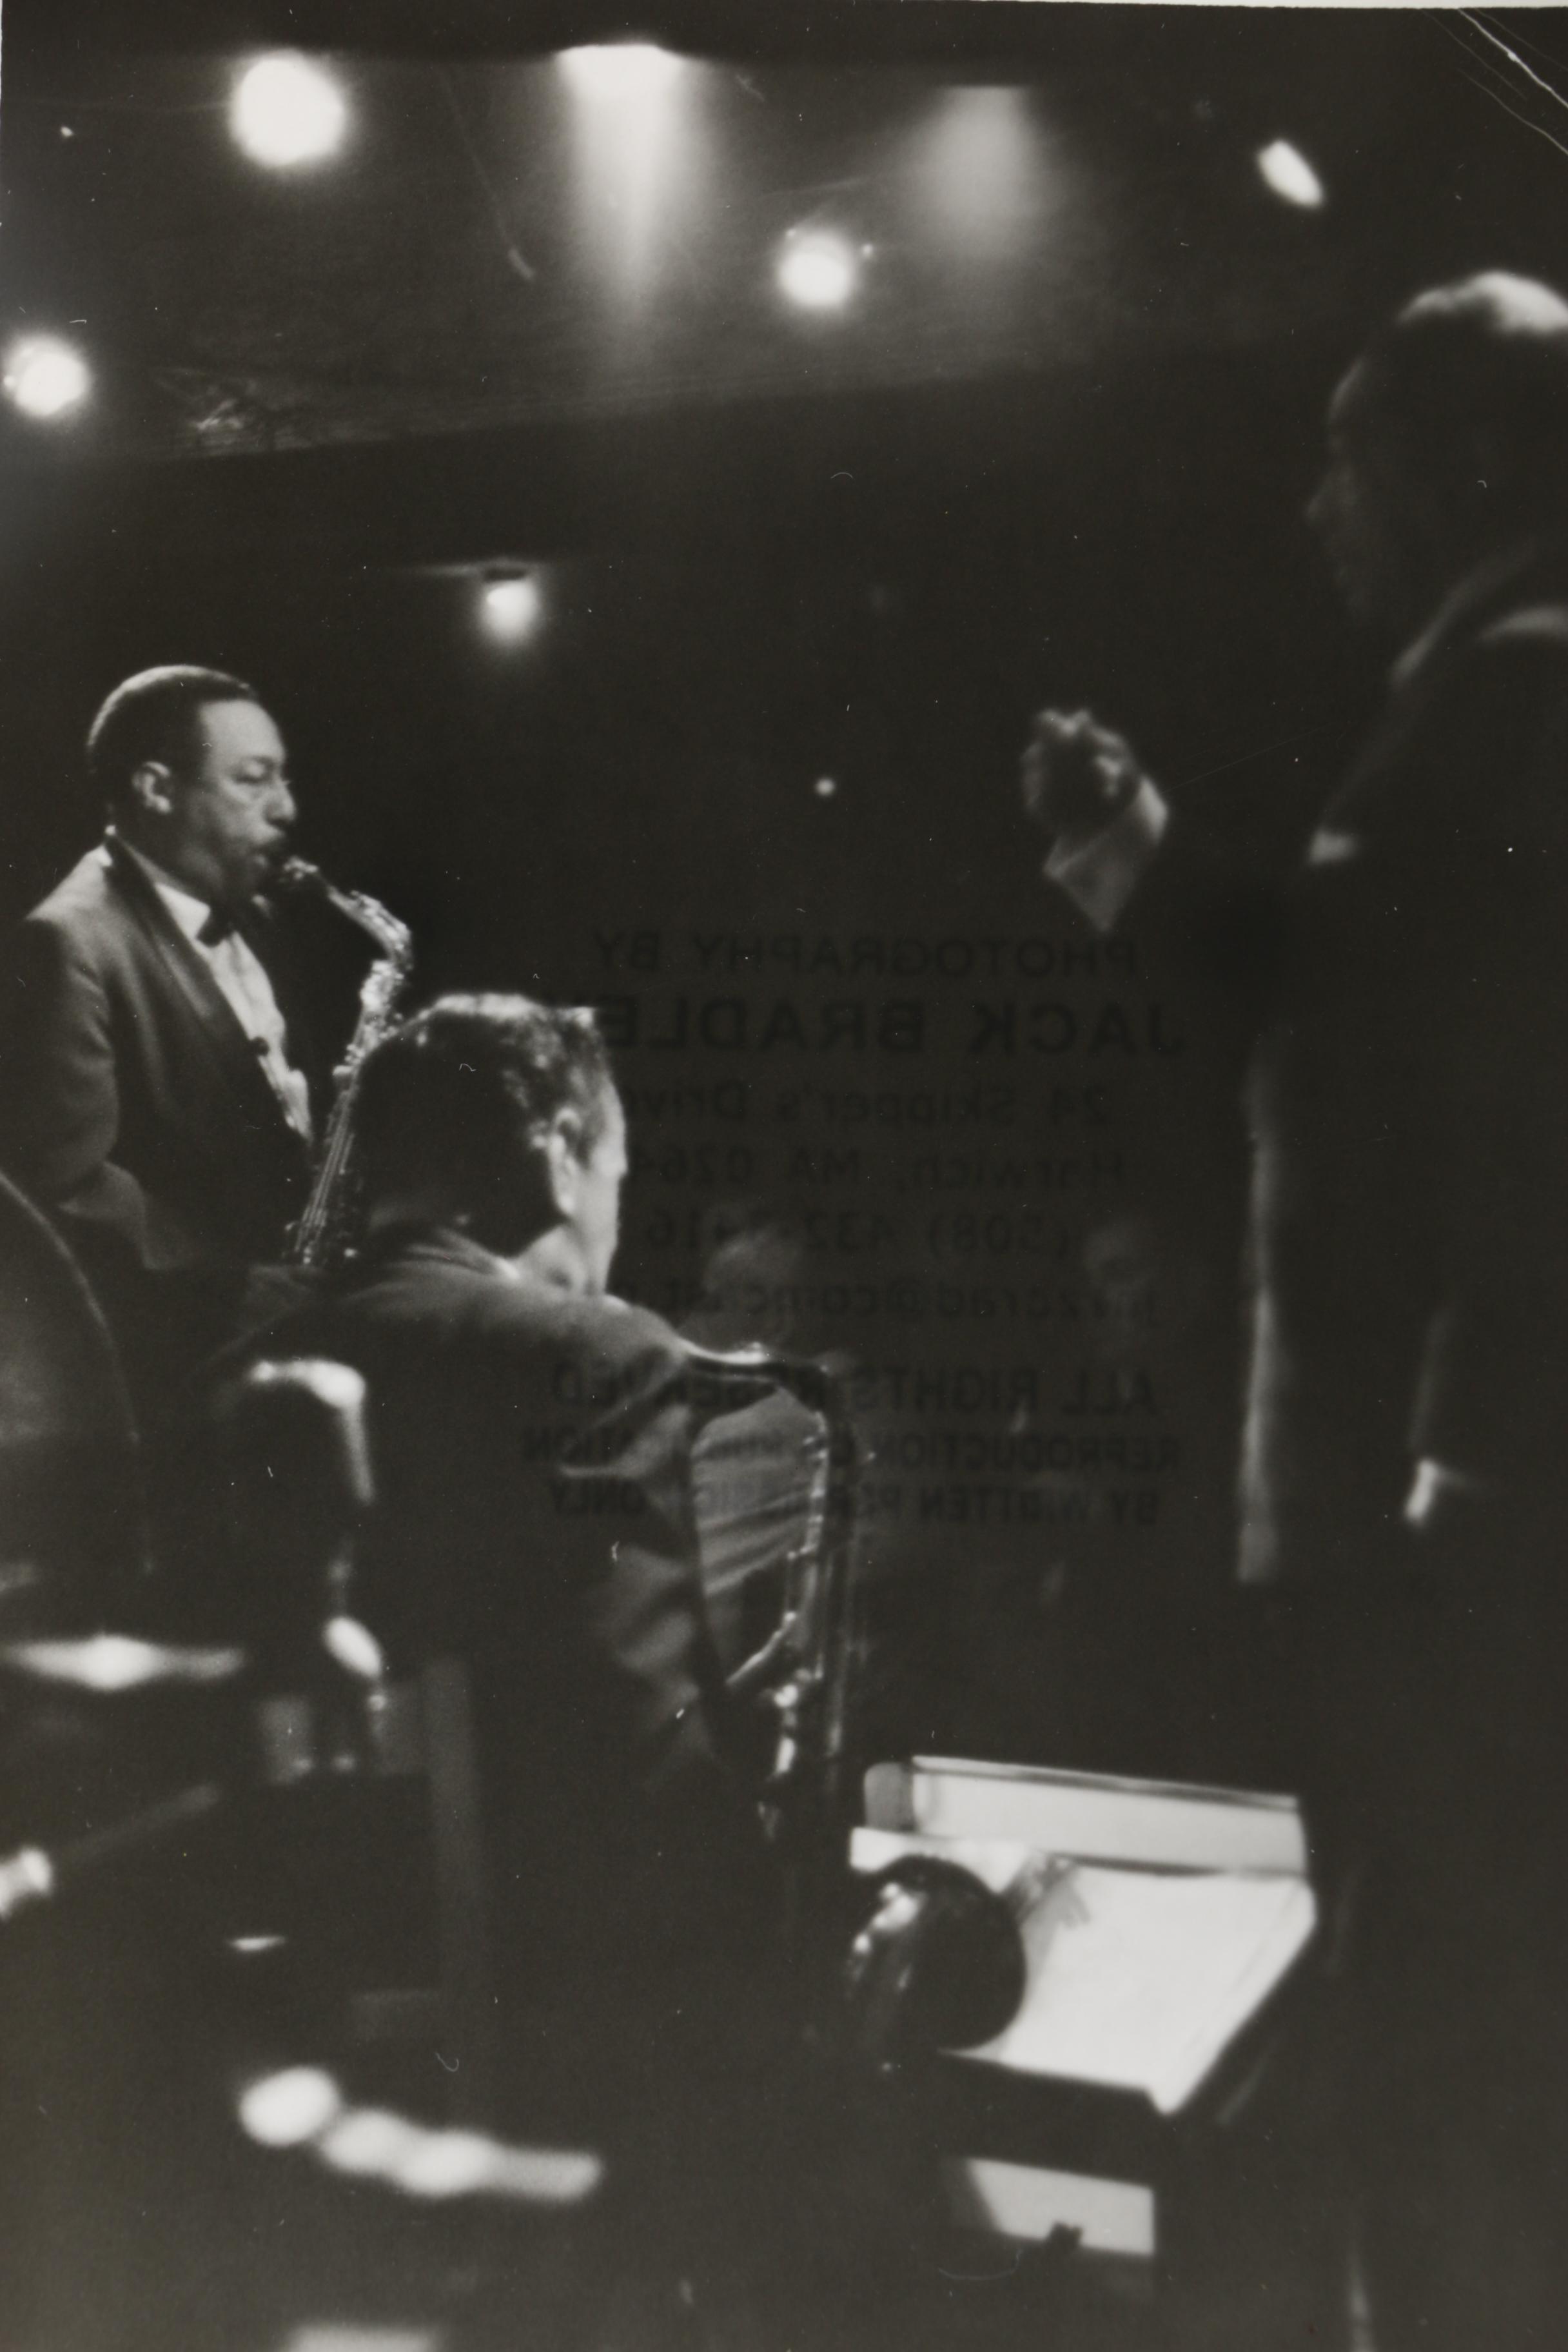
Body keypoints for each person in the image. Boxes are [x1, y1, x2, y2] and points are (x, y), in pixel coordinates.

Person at [1023, 272, 1568, 2351]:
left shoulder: (1509, 688)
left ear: (1470, 461)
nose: (1315, 507)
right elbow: (1370, 993)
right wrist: (1139, 855)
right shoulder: (1492, 692)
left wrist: (1444, 1496)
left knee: (1457, 2086)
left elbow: (1418, 1092)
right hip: (1471, 1518)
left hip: (1474, 1546)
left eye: (1347, 456)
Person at [231, 994, 782, 2298]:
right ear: (554, 1154)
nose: (611, 1218)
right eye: (615, 1173)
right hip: (550, 2046)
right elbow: (632, 1752)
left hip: (307, 2030)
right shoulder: (597, 1358)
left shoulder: (244, 1376)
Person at [2, 666, 361, 1413]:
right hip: (181, 1372)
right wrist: (236, 1282)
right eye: (253, 781)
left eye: (284, 781)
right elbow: (63, 1184)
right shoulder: (67, 942)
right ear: (156, 789)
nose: (286, 809)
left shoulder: (256, 915)